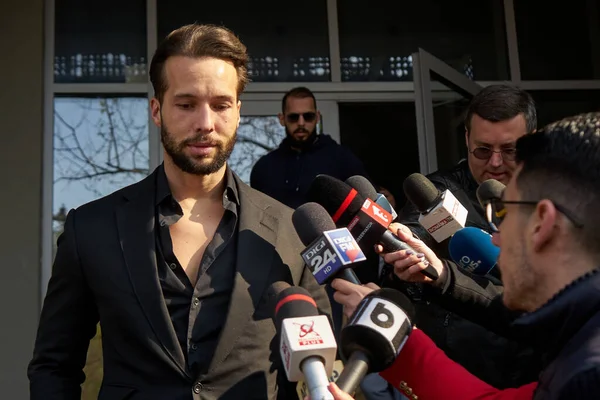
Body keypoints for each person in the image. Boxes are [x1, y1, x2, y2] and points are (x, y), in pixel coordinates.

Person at [28, 24, 330, 400]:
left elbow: (321, 364)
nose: (205, 123)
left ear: (238, 111)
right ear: (157, 110)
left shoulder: (290, 228)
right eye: (186, 105)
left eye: (220, 105)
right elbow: (54, 366)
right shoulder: (91, 228)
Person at [332, 112, 600, 399]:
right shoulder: (580, 342)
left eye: (505, 213)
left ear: (542, 222)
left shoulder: (586, 376)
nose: (495, 236)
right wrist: (401, 327)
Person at [392, 84, 539, 388]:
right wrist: (408, 263)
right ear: (467, 139)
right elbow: (409, 243)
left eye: (510, 149)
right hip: (460, 373)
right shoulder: (436, 195)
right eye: (483, 150)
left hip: (539, 376)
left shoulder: (561, 198)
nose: (495, 163)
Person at [250, 86, 370, 210]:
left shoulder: (342, 158)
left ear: (317, 117)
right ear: (282, 119)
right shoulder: (264, 168)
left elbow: (368, 204)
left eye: (308, 116)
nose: (301, 123)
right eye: (293, 117)